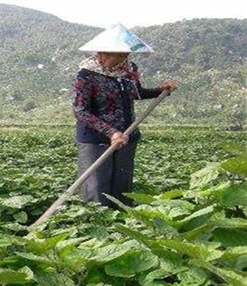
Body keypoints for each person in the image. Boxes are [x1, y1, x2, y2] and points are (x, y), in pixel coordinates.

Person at [72, 24, 178, 208]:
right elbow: (80, 110)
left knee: (121, 187)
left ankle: (121, 226)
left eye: (126, 54)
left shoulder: (129, 70)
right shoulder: (86, 74)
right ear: (102, 53)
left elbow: (136, 93)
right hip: (96, 138)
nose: (123, 58)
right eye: (118, 54)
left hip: (127, 135)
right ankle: (96, 227)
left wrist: (161, 90)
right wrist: (111, 132)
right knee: (96, 187)